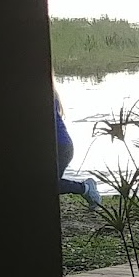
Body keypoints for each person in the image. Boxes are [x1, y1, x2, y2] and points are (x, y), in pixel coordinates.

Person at [52, 81, 103, 209]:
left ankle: (85, 188)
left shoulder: (45, 96)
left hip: (60, 146)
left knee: (48, 184)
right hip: (61, 145)